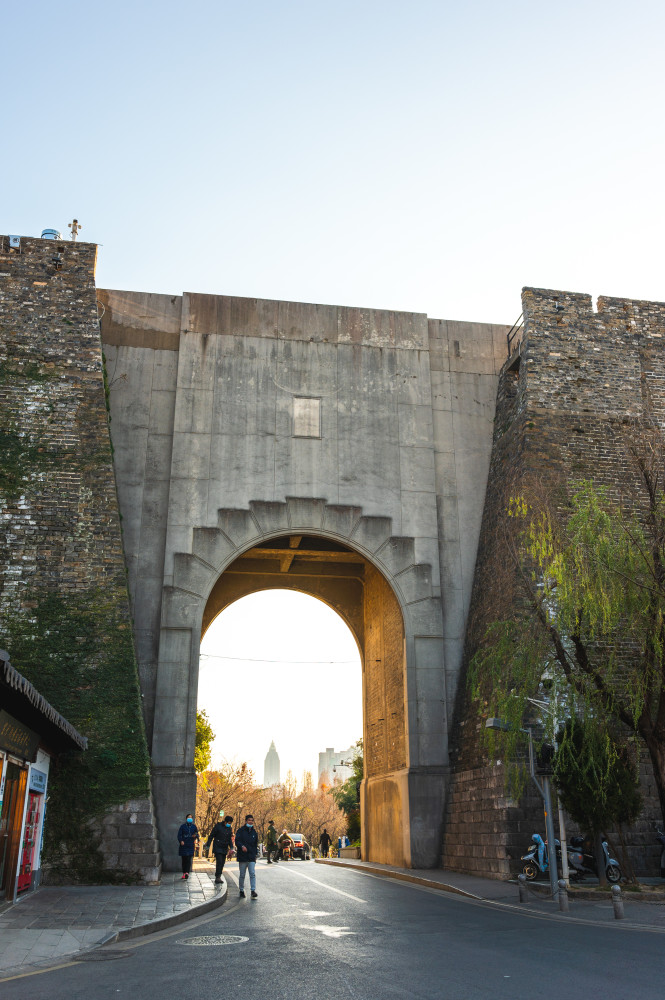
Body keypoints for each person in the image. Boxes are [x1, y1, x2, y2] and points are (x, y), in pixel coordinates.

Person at [204, 813, 234, 883]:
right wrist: (208, 845)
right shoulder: (218, 826)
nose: (229, 824)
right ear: (225, 821)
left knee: (222, 862)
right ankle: (217, 877)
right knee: (219, 861)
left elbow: (229, 838)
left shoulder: (229, 828)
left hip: (224, 847)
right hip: (217, 846)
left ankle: (219, 875)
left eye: (230, 823)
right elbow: (211, 835)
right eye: (228, 823)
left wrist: (231, 847)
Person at [235, 813, 259, 898]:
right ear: (245, 821)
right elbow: (237, 841)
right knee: (242, 875)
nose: (251, 822)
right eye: (249, 820)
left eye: (252, 820)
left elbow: (255, 844)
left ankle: (253, 891)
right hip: (243, 856)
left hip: (251, 857)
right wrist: (242, 846)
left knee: (252, 874)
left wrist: (255, 854)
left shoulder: (254, 832)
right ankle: (241, 890)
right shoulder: (240, 831)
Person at [177, 813, 200, 880]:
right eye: (188, 817)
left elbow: (197, 834)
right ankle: (184, 872)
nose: (190, 818)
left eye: (191, 817)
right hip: (184, 845)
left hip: (190, 845)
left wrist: (195, 836)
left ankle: (187, 872)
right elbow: (179, 835)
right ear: (186, 818)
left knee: (189, 859)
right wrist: (181, 841)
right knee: (184, 859)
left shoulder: (194, 826)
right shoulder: (182, 826)